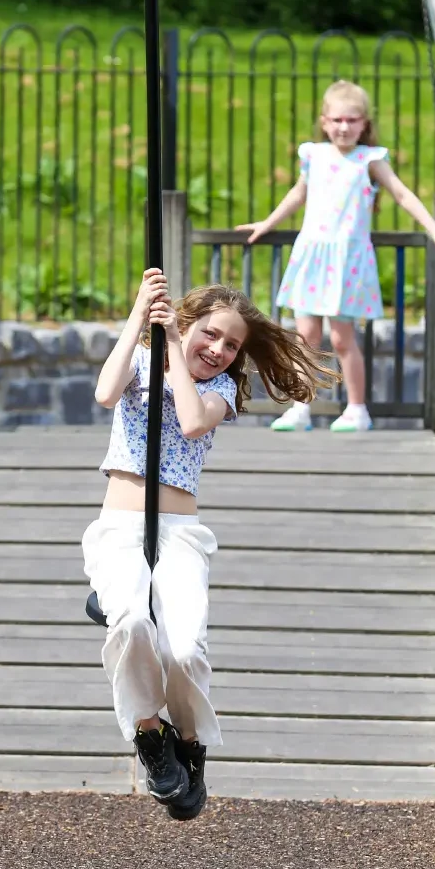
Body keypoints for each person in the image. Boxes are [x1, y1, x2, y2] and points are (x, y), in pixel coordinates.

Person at [83, 269, 334, 820]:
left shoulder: (219, 390)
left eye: (232, 345)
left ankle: (190, 746)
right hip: (121, 527)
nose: (218, 349)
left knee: (183, 647)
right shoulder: (141, 366)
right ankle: (152, 738)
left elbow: (192, 422)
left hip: (178, 533)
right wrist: (140, 315)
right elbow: (104, 393)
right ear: (188, 321)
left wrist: (174, 342)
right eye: (209, 335)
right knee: (128, 622)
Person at [236, 79, 435, 433]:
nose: (343, 127)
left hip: (346, 261)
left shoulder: (370, 160)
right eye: (336, 120)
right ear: (324, 121)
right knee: (304, 336)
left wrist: (432, 226)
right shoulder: (313, 155)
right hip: (312, 255)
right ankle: (301, 407)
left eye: (351, 120)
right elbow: (297, 195)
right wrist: (268, 222)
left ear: (364, 123)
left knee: (343, 337)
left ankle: (357, 408)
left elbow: (402, 194)